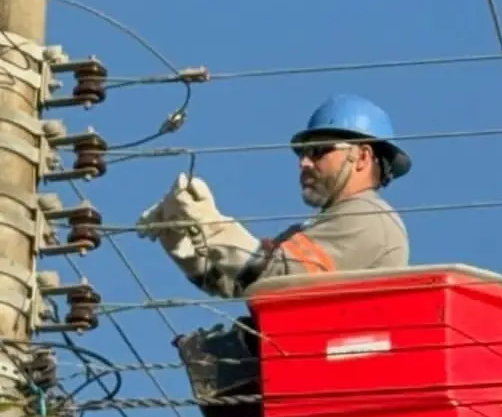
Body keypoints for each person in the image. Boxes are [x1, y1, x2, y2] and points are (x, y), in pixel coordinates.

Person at [136, 94, 410, 298]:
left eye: (318, 151)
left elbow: (275, 275)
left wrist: (210, 225)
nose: (304, 163)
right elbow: (239, 282)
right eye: (301, 154)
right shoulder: (328, 225)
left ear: (361, 156)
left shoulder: (367, 217)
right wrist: (179, 236)